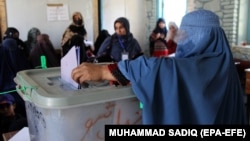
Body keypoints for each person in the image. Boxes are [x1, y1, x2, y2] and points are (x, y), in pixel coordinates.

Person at [71, 9, 247, 124]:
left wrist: (103, 71)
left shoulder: (196, 68)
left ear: (202, 36)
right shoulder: (225, 65)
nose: (184, 39)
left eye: (188, 34)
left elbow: (160, 68)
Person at [0, 38, 31, 118]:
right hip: (8, 102)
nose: (12, 52)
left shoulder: (20, 59)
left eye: (14, 49)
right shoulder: (19, 58)